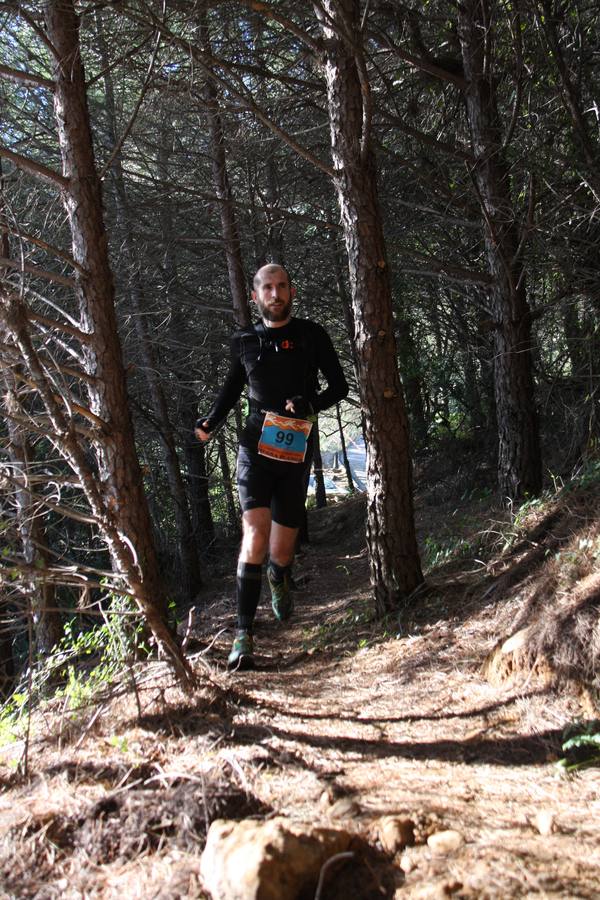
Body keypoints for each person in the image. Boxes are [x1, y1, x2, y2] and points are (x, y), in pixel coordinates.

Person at [195, 263, 348, 670]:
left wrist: (311, 404)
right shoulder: (245, 340)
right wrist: (211, 421)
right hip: (254, 449)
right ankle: (243, 633)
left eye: (282, 287)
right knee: (254, 536)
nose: (275, 294)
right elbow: (231, 387)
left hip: (295, 452)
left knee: (280, 551)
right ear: (255, 295)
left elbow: (340, 385)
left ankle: (280, 576)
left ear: (291, 291)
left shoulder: (312, 335)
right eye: (268, 288)